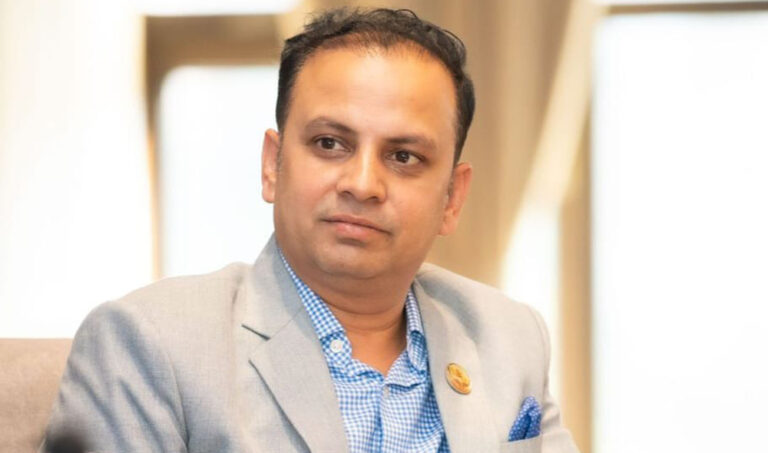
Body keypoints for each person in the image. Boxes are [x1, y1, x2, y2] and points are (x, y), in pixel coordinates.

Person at [44, 8, 579, 453]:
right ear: (272, 166)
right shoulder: (149, 343)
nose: (363, 184)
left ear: (452, 199)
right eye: (330, 144)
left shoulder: (508, 336)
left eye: (404, 156)